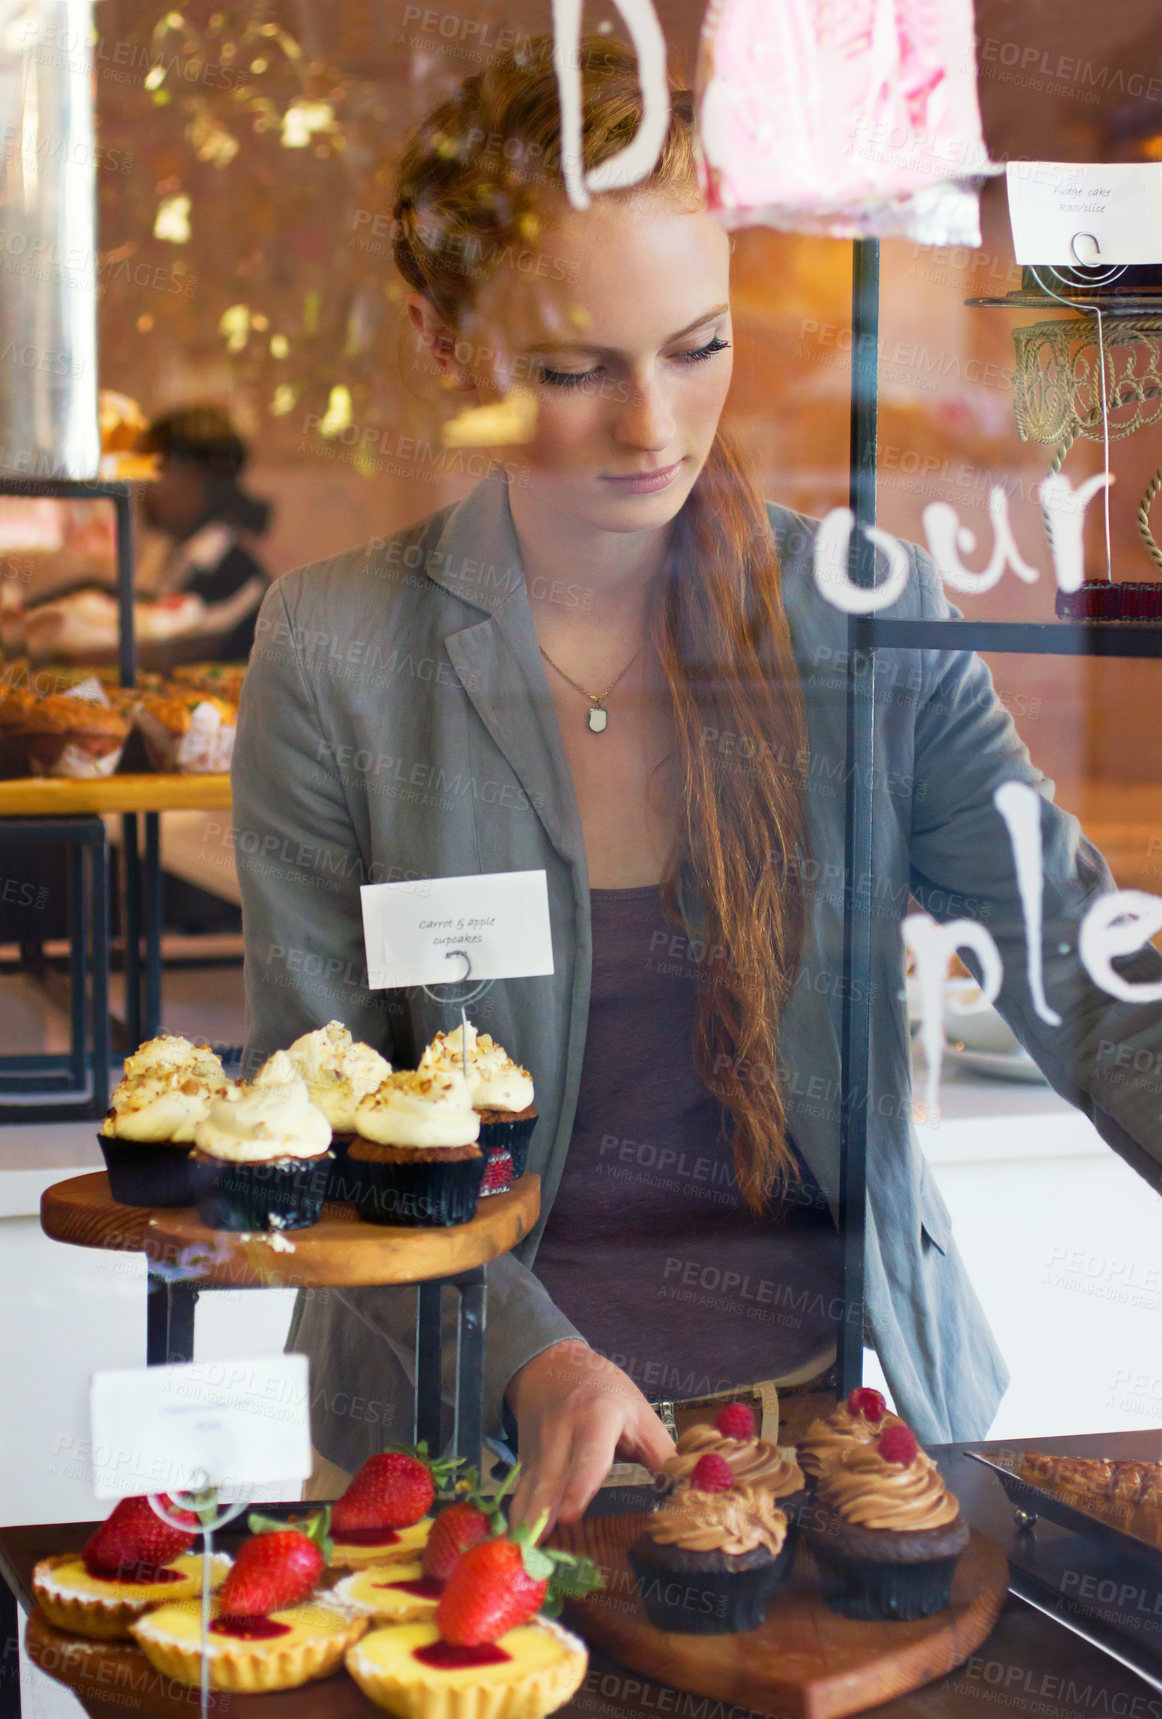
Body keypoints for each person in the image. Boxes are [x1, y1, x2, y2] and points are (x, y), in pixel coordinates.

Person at [231, 37, 1162, 1530]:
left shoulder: (863, 621)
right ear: (441, 336)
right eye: (573, 368)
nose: (653, 428)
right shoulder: (337, 647)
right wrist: (535, 1359)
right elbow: (321, 1095)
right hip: (454, 1457)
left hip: (838, 1436)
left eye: (697, 345)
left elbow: (1083, 969)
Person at [137, 404, 273, 659]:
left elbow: (167, 656)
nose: (145, 485)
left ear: (203, 478)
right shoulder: (167, 557)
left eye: (160, 469)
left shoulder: (241, 581)